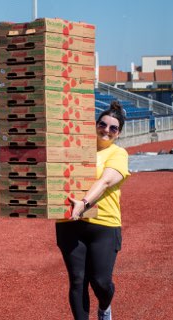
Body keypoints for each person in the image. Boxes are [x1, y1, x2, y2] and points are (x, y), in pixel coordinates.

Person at [56, 101, 131, 320]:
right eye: (103, 124)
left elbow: (106, 181)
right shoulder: (75, 148)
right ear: (95, 125)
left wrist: (84, 202)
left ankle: (105, 308)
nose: (106, 130)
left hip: (104, 225)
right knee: (78, 280)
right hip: (70, 222)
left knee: (101, 282)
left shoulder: (118, 154)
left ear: (118, 133)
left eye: (113, 128)